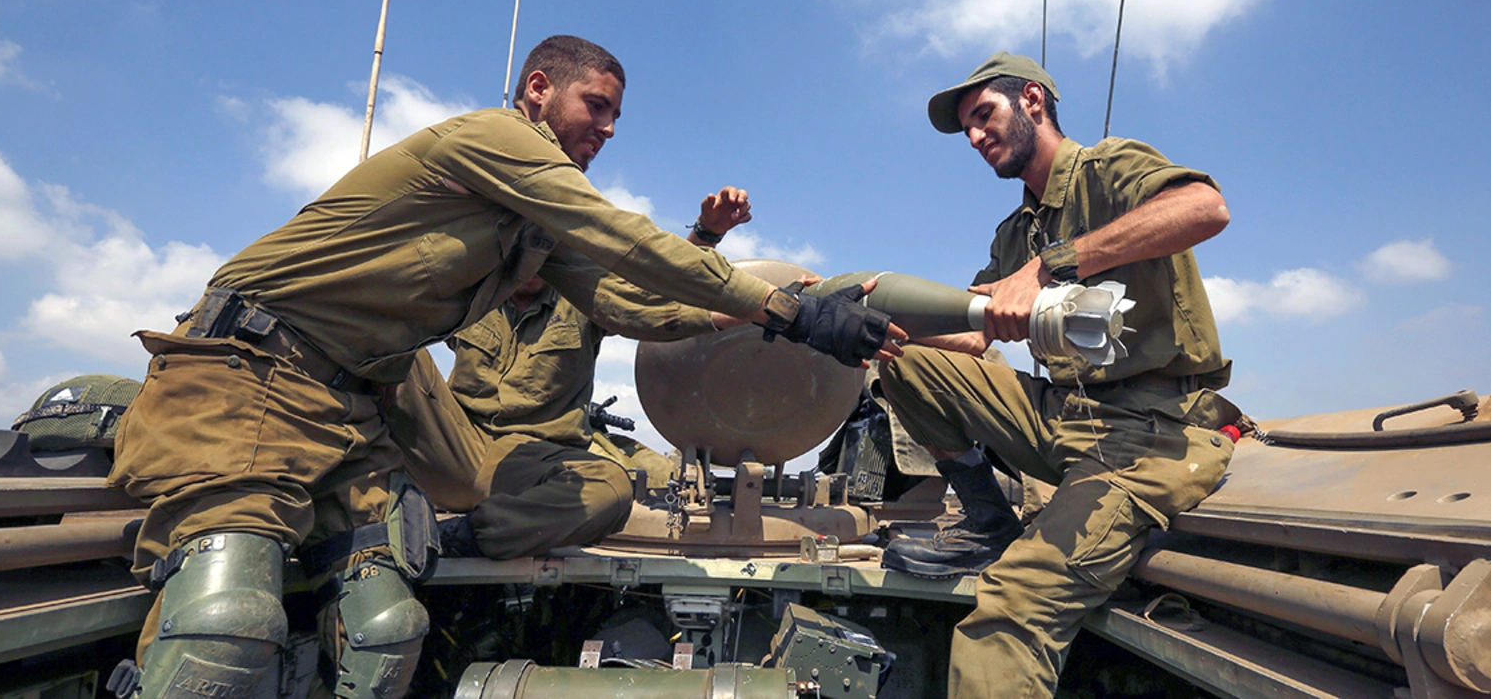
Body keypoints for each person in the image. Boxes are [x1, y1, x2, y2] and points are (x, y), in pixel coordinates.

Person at [104, 35, 901, 699]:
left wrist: (798, 309)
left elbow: (637, 306)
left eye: (619, 116)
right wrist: (791, 313)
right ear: (538, 90)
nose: (610, 129)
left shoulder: (531, 235)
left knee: (386, 635)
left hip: (350, 416)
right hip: (252, 376)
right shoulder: (492, 141)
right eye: (598, 106)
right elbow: (622, 238)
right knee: (226, 630)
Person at [877, 52, 1241, 699]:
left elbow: (1203, 208)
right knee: (903, 358)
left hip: (1151, 433)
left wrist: (1054, 266)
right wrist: (864, 324)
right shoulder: (1017, 229)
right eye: (966, 128)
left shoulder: (1108, 168)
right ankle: (988, 521)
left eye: (984, 115)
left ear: (1035, 102)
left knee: (1006, 618)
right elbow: (973, 328)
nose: (975, 137)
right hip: (1063, 415)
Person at [388, 187, 756, 559]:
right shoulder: (476, 292)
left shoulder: (585, 297)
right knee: (384, 340)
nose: (531, 259)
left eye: (543, 245)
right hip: (455, 448)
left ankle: (461, 535)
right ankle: (350, 490)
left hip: (537, 466)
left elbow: (656, 292)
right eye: (522, 243)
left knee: (611, 488)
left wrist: (712, 243)